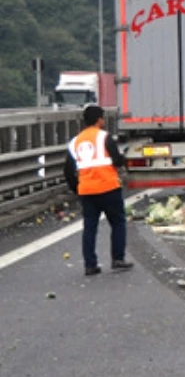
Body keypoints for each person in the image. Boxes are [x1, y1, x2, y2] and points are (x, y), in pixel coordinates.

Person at [64, 105, 131, 276]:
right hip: (108, 187)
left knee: (89, 227)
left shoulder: (75, 142)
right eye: (102, 118)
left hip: (87, 190)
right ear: (99, 120)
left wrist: (77, 189)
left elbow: (67, 171)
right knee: (117, 223)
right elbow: (116, 161)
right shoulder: (104, 137)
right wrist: (123, 159)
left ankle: (90, 265)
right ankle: (117, 259)